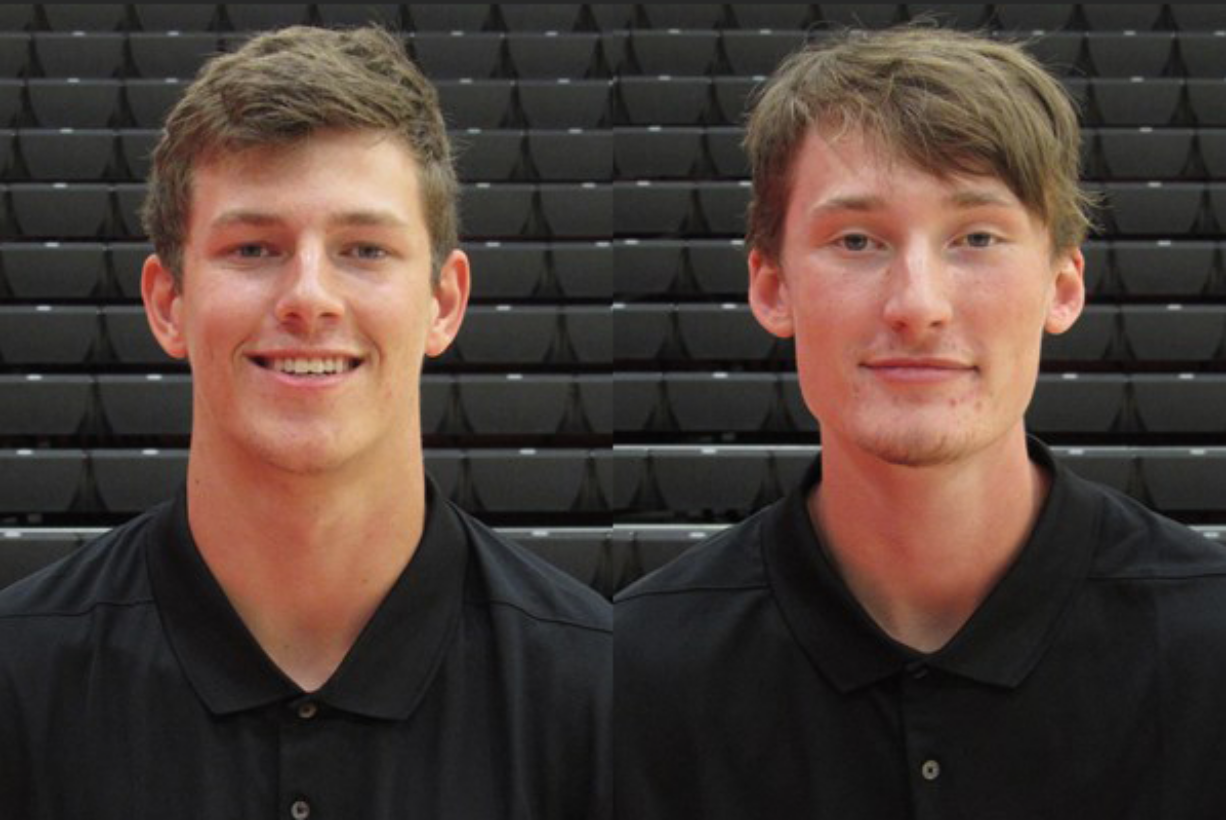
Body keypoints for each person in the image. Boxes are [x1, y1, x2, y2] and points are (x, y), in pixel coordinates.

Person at [615, 25, 1226, 819]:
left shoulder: (1210, 641)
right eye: (858, 240)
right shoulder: (629, 669)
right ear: (771, 287)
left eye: (976, 238)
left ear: (1063, 286)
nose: (918, 306)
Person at [0, 26, 610, 818]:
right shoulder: (16, 676)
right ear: (166, 303)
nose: (309, 296)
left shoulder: (605, 691)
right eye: (254, 248)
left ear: (444, 303)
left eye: (364, 249)